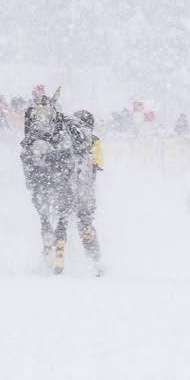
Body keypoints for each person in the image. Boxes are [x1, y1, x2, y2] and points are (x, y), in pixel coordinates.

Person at [72, 110, 104, 275]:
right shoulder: (94, 140)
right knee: (85, 225)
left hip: (68, 188)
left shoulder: (66, 140)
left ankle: (59, 258)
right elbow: (98, 164)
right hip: (85, 191)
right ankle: (94, 260)